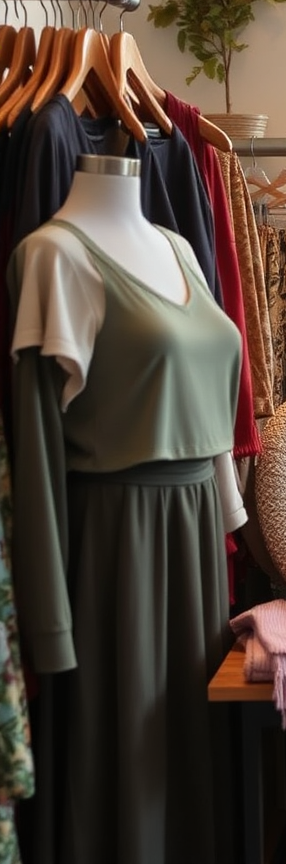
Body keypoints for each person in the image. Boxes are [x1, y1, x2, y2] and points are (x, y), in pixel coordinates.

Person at [8, 153, 244, 863]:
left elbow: (215, 422)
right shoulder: (50, 256)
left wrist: (238, 530)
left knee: (190, 749)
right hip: (117, 545)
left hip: (198, 537)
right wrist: (47, 626)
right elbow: (36, 453)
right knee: (128, 760)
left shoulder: (175, 245)